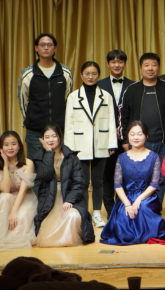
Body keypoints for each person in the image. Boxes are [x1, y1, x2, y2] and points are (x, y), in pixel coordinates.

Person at [119, 52, 165, 209]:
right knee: (140, 178)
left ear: (159, 68)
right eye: (146, 65)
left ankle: (155, 210)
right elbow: (123, 116)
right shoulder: (131, 90)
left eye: (154, 65)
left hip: (164, 142)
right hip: (138, 143)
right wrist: (125, 140)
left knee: (160, 178)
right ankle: (140, 210)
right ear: (140, 68)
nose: (150, 68)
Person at [64, 61, 118, 228]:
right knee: (82, 182)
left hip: (101, 143)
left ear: (99, 75)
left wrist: (112, 144)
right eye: (87, 73)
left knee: (98, 181)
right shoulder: (73, 96)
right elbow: (69, 123)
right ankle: (84, 213)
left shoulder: (106, 96)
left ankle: (96, 213)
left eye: (94, 73)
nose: (90, 76)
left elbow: (111, 121)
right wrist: (69, 148)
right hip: (79, 145)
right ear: (81, 75)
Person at [101, 121, 165, 245]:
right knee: (125, 214)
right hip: (126, 197)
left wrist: (139, 199)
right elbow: (117, 184)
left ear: (146, 136)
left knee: (143, 208)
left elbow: (154, 183)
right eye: (132, 134)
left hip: (147, 197)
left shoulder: (154, 157)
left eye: (140, 134)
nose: (136, 137)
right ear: (128, 136)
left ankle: (147, 235)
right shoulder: (121, 157)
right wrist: (127, 204)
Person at [18, 33, 73, 178]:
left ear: (55, 48)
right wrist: (33, 119)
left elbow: (68, 99)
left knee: (61, 169)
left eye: (49, 45)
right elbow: (23, 101)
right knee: (35, 170)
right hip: (35, 131)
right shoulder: (27, 73)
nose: (46, 48)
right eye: (42, 45)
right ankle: (37, 195)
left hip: (59, 130)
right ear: (36, 48)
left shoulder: (65, 72)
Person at [32, 123, 95, 247]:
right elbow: (46, 175)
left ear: (59, 137)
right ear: (42, 139)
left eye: (54, 136)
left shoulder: (71, 157)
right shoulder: (39, 157)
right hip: (49, 198)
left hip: (69, 196)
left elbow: (79, 182)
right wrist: (49, 152)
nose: (50, 140)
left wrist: (69, 200)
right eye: (47, 137)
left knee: (73, 216)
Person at [98, 49, 134, 218]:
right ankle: (110, 209)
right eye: (113, 62)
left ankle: (124, 207)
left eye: (120, 62)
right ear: (108, 64)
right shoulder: (99, 85)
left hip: (128, 138)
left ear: (125, 64)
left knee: (127, 174)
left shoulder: (133, 85)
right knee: (108, 174)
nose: (117, 65)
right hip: (106, 138)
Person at [0, 131, 37, 252]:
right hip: (8, 199)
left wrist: (14, 212)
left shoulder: (27, 163)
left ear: (19, 146)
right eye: (6, 145)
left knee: (20, 218)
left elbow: (23, 191)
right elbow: (6, 190)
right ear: (1, 148)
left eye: (13, 144)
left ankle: (11, 240)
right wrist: (5, 166)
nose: (10, 148)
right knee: (4, 196)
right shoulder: (1, 166)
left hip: (25, 198)